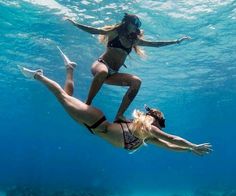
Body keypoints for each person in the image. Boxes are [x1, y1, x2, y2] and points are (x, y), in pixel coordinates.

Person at [18, 47, 212, 156]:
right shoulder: (149, 129)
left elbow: (170, 145)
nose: (159, 129)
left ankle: (70, 68)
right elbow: (171, 138)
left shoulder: (148, 136)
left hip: (92, 127)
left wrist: (188, 150)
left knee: (66, 99)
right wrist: (193, 145)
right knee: (62, 97)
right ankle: (39, 76)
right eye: (159, 125)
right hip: (96, 121)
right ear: (155, 120)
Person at [66, 13, 191, 123]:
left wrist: (176, 41)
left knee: (137, 82)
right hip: (100, 65)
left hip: (113, 74)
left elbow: (156, 44)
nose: (137, 27)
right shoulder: (114, 32)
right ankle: (87, 104)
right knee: (103, 72)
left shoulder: (134, 41)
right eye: (135, 24)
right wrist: (76, 24)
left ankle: (119, 116)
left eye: (138, 25)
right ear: (127, 23)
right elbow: (95, 30)